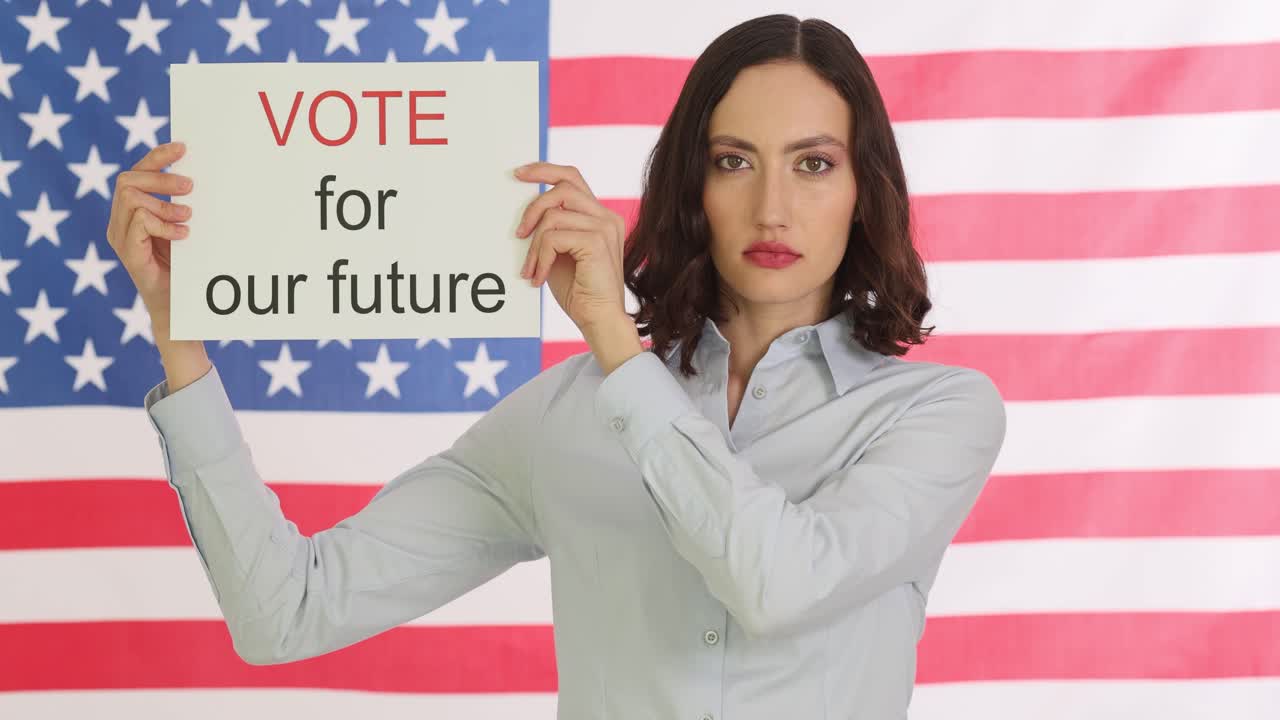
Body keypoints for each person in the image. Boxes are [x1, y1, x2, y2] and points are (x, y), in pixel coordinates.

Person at [106, 13, 1006, 719]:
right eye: (734, 162)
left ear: (863, 190)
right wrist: (178, 330)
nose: (773, 206)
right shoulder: (565, 416)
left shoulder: (936, 413)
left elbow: (778, 583)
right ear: (692, 185)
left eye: (814, 163)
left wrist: (613, 337)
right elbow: (286, 612)